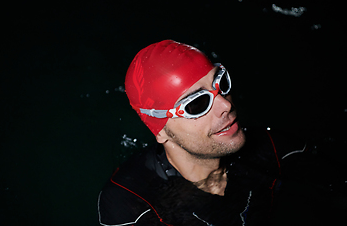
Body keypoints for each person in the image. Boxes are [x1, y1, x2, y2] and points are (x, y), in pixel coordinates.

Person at [97, 40, 314, 225]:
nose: (225, 105)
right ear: (161, 130)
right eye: (197, 104)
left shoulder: (277, 151)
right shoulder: (131, 206)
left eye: (221, 83)